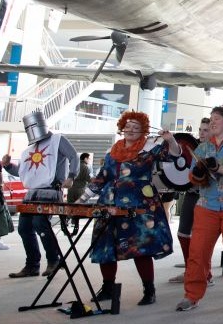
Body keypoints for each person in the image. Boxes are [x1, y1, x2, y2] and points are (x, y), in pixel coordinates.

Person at [75, 111, 181, 306]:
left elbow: (174, 156)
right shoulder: (112, 152)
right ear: (122, 127)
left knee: (140, 248)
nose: (131, 130)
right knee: (105, 246)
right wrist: (81, 200)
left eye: (136, 127)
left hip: (139, 205)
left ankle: (149, 290)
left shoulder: (150, 149)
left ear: (143, 131)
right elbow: (101, 178)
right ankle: (107, 288)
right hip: (109, 205)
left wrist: (171, 140)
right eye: (128, 126)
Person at [176, 106, 223, 316]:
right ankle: (191, 295)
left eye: (216, 119)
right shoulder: (201, 149)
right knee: (197, 252)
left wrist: (217, 167)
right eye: (210, 119)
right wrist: (199, 172)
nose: (212, 122)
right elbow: (193, 179)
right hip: (207, 205)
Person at [2, 111, 79, 278]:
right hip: (32, 194)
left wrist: (71, 176)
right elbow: (25, 173)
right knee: (24, 228)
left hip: (51, 191)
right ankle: (32, 265)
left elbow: (73, 157)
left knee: (40, 223)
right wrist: (8, 166)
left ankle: (54, 260)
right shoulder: (31, 148)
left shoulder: (58, 140)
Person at [168, 118, 215, 285]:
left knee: (202, 238)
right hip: (191, 194)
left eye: (206, 130)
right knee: (183, 233)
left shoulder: (216, 150)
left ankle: (205, 274)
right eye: (200, 129)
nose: (201, 133)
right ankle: (190, 270)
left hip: (208, 197)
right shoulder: (198, 148)